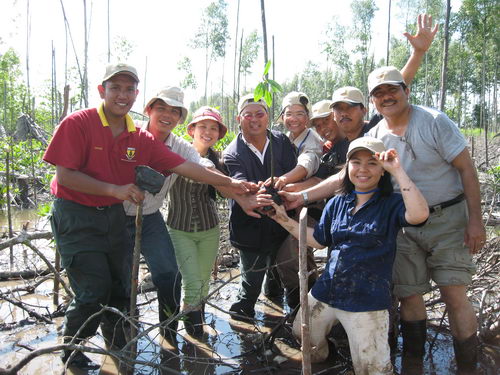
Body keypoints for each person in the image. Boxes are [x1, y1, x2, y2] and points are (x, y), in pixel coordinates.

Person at [44, 64, 253, 370]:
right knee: (93, 290)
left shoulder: (140, 139)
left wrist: (233, 184)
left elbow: (190, 167)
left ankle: (121, 348)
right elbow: (64, 177)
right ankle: (72, 349)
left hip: (117, 215)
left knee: (122, 287)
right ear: (103, 91)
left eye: (128, 89)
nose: (122, 95)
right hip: (78, 214)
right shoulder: (80, 122)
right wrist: (114, 189)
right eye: (115, 88)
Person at [269, 137, 429, 374]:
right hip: (327, 290)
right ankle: (324, 358)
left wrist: (397, 170)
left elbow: (418, 215)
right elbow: (318, 241)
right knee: (301, 334)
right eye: (356, 162)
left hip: (367, 300)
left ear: (382, 170)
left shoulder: (391, 203)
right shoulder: (337, 203)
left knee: (371, 369)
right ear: (347, 168)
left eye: (372, 163)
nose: (363, 169)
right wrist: (281, 217)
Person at [367, 66, 485, 374]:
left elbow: (467, 170)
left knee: (454, 293)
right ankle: (414, 363)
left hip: (449, 219)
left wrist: (476, 221)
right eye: (378, 94)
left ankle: (468, 366)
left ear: (406, 91)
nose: (386, 97)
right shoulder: (375, 136)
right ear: (373, 103)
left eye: (392, 89)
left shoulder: (434, 122)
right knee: (409, 293)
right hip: (405, 227)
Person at [223, 93, 297, 321]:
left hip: (282, 222)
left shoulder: (281, 142)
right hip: (250, 226)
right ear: (238, 118)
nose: (254, 120)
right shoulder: (232, 152)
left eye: (260, 114)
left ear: (268, 117)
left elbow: (293, 171)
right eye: (248, 115)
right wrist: (254, 189)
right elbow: (240, 183)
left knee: (278, 276)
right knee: (252, 281)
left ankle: (275, 318)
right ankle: (243, 318)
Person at [166, 106, 228, 336]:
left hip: (209, 229)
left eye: (213, 128)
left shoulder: (219, 160)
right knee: (191, 283)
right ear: (191, 129)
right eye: (202, 126)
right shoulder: (176, 151)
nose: (208, 132)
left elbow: (228, 190)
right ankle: (196, 334)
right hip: (178, 228)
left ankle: (194, 326)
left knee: (202, 283)